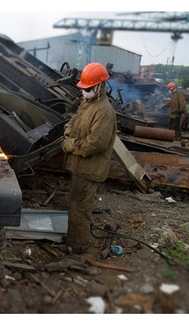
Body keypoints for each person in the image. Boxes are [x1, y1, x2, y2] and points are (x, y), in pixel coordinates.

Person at [61, 63, 117, 254]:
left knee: (79, 208)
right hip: (80, 166)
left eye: (88, 88)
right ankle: (75, 239)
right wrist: (68, 131)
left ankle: (78, 247)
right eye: (83, 88)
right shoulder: (88, 103)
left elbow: (96, 143)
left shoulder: (104, 111)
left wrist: (71, 145)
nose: (84, 91)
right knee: (76, 204)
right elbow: (74, 121)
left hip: (90, 169)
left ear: (101, 86)